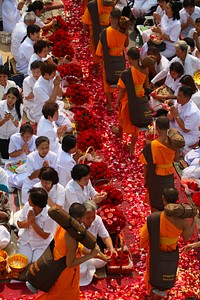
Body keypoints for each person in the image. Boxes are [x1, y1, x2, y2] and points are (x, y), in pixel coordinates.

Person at [140, 186, 198, 299]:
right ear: (177, 199)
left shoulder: (155, 217)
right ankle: (160, 295)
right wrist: (194, 220)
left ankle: (153, 296)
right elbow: (186, 238)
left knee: (153, 271)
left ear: (163, 198)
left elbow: (144, 236)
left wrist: (144, 245)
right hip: (171, 251)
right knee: (167, 270)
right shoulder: (184, 221)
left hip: (155, 251)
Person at [34, 202, 100, 299]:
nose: (84, 220)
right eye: (84, 217)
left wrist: (95, 254)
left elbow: (78, 249)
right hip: (65, 272)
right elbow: (70, 263)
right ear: (78, 219)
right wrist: (91, 255)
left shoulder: (63, 226)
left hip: (57, 266)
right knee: (61, 296)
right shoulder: (70, 237)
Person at [112, 47, 149, 154]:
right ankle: (132, 147)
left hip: (128, 99)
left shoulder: (126, 73)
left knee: (122, 116)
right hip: (139, 99)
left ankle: (120, 132)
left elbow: (122, 90)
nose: (128, 61)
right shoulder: (145, 69)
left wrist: (117, 102)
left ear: (131, 59)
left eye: (128, 59)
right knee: (135, 123)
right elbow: (146, 86)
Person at [140, 116, 178, 212]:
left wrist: (145, 179)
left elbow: (146, 164)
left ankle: (157, 218)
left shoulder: (151, 145)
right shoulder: (173, 143)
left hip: (155, 176)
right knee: (168, 195)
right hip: (169, 174)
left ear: (156, 128)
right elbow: (176, 159)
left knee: (156, 199)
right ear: (169, 126)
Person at [96, 8, 129, 111]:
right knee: (120, 79)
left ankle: (110, 105)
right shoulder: (124, 31)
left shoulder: (105, 32)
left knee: (107, 82)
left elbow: (99, 51)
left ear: (110, 18)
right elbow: (126, 45)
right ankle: (118, 102)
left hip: (108, 60)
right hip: (119, 59)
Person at [17, 187, 56, 263]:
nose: (28, 200)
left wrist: (33, 223)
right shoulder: (27, 206)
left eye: (29, 199)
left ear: (36, 205)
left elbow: (45, 236)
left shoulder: (49, 215)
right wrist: (29, 222)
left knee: (37, 265)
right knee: (23, 262)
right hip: (26, 242)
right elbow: (20, 224)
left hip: (41, 245)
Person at [30, 61, 72, 129]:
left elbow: (60, 94)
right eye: (53, 73)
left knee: (69, 125)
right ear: (46, 74)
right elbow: (50, 103)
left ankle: (57, 120)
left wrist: (57, 84)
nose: (55, 74)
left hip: (53, 108)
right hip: (43, 112)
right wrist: (55, 86)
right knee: (68, 127)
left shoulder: (51, 78)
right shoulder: (38, 87)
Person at [82, 200, 117, 273]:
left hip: (93, 253)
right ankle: (87, 269)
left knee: (102, 262)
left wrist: (111, 248)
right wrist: (96, 255)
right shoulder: (77, 223)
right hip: (79, 254)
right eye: (88, 218)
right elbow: (78, 248)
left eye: (93, 217)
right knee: (81, 268)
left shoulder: (97, 219)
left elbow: (105, 236)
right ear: (82, 216)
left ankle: (88, 269)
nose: (91, 220)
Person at [21, 136, 58, 204]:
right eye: (42, 148)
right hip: (33, 184)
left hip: (48, 184)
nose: (45, 151)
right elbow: (30, 177)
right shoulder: (31, 157)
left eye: (47, 148)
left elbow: (55, 174)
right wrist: (42, 168)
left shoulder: (53, 156)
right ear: (37, 148)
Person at [82, 0, 114, 75]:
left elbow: (86, 22)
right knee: (97, 48)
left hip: (107, 29)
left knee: (102, 49)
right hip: (96, 30)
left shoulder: (111, 4)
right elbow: (86, 20)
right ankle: (98, 69)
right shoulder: (93, 5)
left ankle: (100, 69)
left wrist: (84, 29)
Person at [7, 123, 37, 189]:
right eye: (23, 136)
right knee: (6, 176)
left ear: (32, 135)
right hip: (15, 162)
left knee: (30, 179)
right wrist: (21, 151)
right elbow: (11, 154)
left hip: (28, 163)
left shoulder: (35, 140)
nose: (25, 139)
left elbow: (35, 158)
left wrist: (27, 151)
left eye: (27, 137)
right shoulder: (14, 138)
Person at [0, 87, 23, 160]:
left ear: (16, 99)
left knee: (13, 155)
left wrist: (12, 118)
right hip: (2, 134)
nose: (10, 100)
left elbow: (18, 125)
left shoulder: (20, 107)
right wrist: (4, 120)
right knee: (5, 155)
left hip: (13, 134)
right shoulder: (0, 105)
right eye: (8, 97)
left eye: (13, 98)